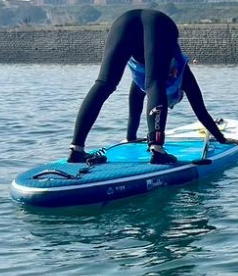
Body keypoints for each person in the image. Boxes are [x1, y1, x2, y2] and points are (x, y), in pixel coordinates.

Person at [68, 9, 227, 164]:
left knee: (104, 83)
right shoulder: (183, 75)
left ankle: (76, 149)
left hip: (124, 21)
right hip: (159, 23)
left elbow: (134, 114)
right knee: (155, 82)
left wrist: (130, 138)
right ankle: (157, 150)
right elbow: (201, 111)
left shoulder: (140, 81)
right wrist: (221, 139)